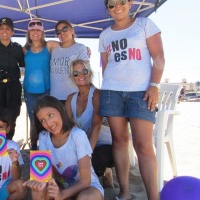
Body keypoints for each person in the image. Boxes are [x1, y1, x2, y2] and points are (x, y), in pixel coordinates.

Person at [99, 0, 165, 199]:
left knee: (143, 146)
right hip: (112, 91)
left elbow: (159, 57)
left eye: (121, 2)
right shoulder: (105, 35)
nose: (116, 7)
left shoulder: (144, 24)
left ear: (129, 3)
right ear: (107, 8)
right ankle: (125, 192)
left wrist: (154, 85)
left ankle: (153, 197)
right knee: (119, 141)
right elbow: (105, 66)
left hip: (140, 92)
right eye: (111, 4)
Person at [23, 96, 104, 200]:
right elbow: (44, 173)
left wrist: (62, 195)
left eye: (50, 115)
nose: (48, 123)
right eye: (42, 120)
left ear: (61, 110)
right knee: (38, 188)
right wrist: (40, 181)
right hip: (61, 187)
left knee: (86, 198)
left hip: (87, 188)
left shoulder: (78, 135)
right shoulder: (43, 136)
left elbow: (85, 181)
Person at [65, 59, 114, 188]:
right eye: (76, 73)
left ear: (89, 73)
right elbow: (68, 127)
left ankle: (105, 171)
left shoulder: (97, 94)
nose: (80, 75)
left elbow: (96, 126)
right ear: (72, 77)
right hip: (84, 144)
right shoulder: (70, 98)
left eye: (84, 71)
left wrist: (86, 156)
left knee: (95, 160)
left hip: (103, 143)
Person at [23, 19, 59, 150]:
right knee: (33, 120)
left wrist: (83, 48)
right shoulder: (25, 49)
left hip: (46, 89)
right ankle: (34, 148)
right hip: (29, 91)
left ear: (42, 32)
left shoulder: (49, 45)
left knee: (48, 119)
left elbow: (68, 45)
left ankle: (48, 147)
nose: (35, 32)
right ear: (28, 33)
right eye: (32, 30)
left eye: (38, 30)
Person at [50, 20, 90, 104]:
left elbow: (86, 71)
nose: (62, 33)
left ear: (72, 30)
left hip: (74, 96)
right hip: (54, 97)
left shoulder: (80, 48)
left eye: (65, 29)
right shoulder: (54, 50)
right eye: (58, 31)